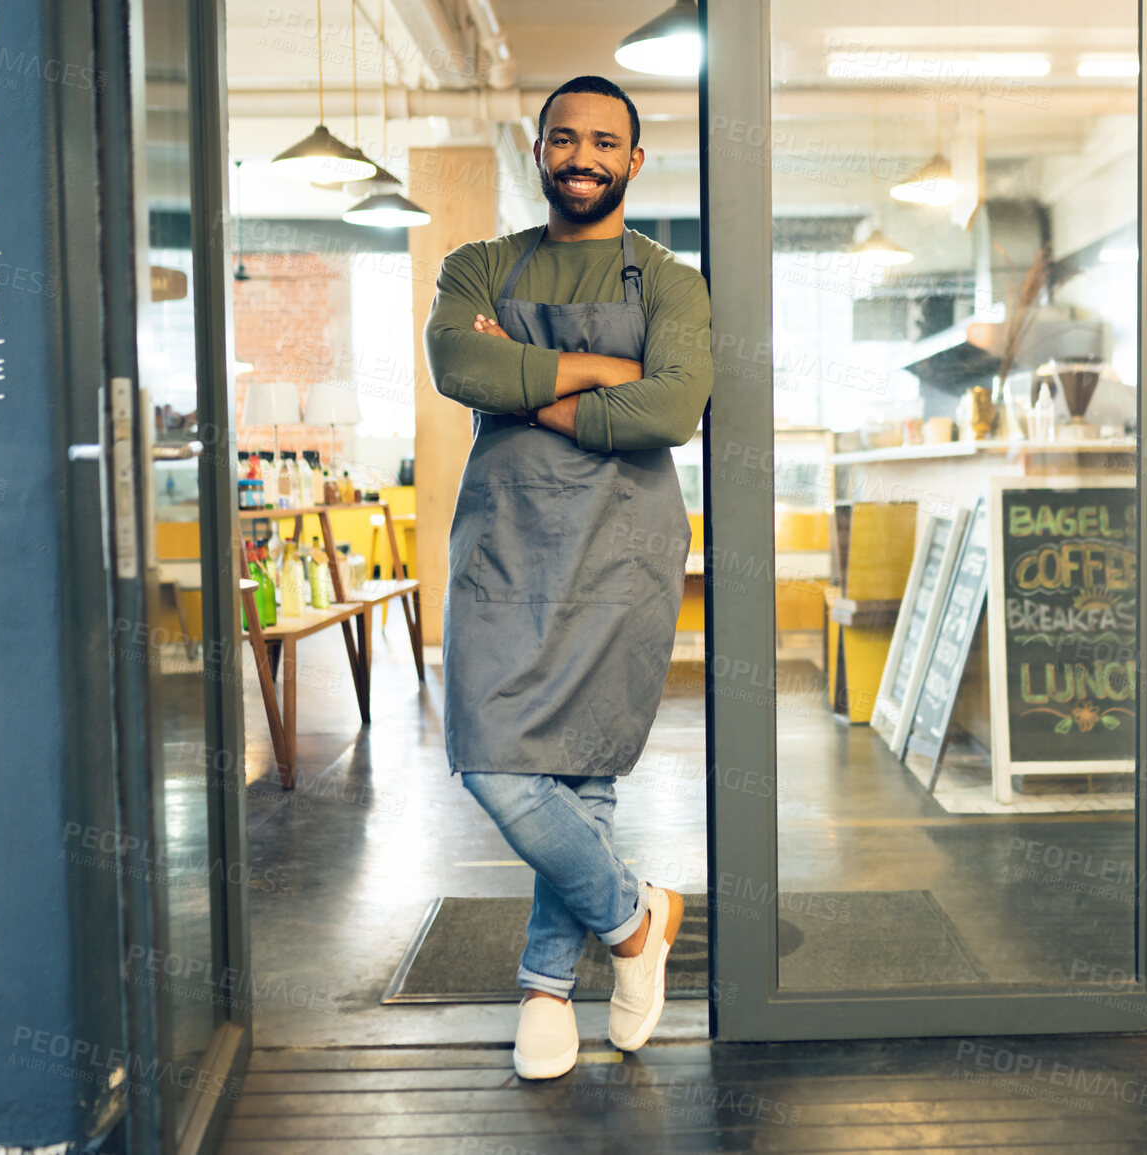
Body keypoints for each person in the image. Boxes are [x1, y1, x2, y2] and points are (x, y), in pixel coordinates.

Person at [422, 75, 712, 1080]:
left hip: (621, 551)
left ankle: (545, 990)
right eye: (562, 139)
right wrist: (600, 375)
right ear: (538, 149)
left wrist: (535, 391)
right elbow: (461, 368)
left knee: (581, 768)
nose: (581, 156)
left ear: (634, 160)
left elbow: (672, 413)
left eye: (603, 142)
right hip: (506, 548)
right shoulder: (479, 266)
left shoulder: (671, 283)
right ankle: (639, 924)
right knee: (494, 760)